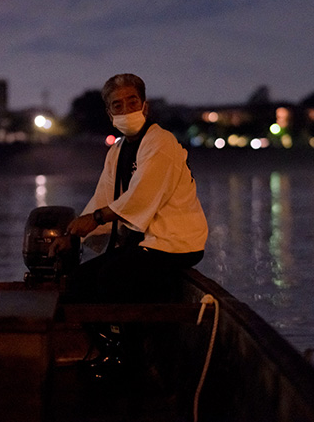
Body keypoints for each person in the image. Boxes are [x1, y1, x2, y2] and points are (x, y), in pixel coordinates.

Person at [50, 73, 208, 379]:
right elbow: (102, 199)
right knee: (80, 282)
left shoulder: (160, 143)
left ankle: (132, 360)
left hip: (174, 242)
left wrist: (93, 220)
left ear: (145, 105)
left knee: (113, 278)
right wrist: (73, 235)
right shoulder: (118, 150)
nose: (126, 110)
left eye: (132, 101)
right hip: (144, 243)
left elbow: (139, 198)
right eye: (117, 105)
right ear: (110, 114)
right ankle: (112, 349)